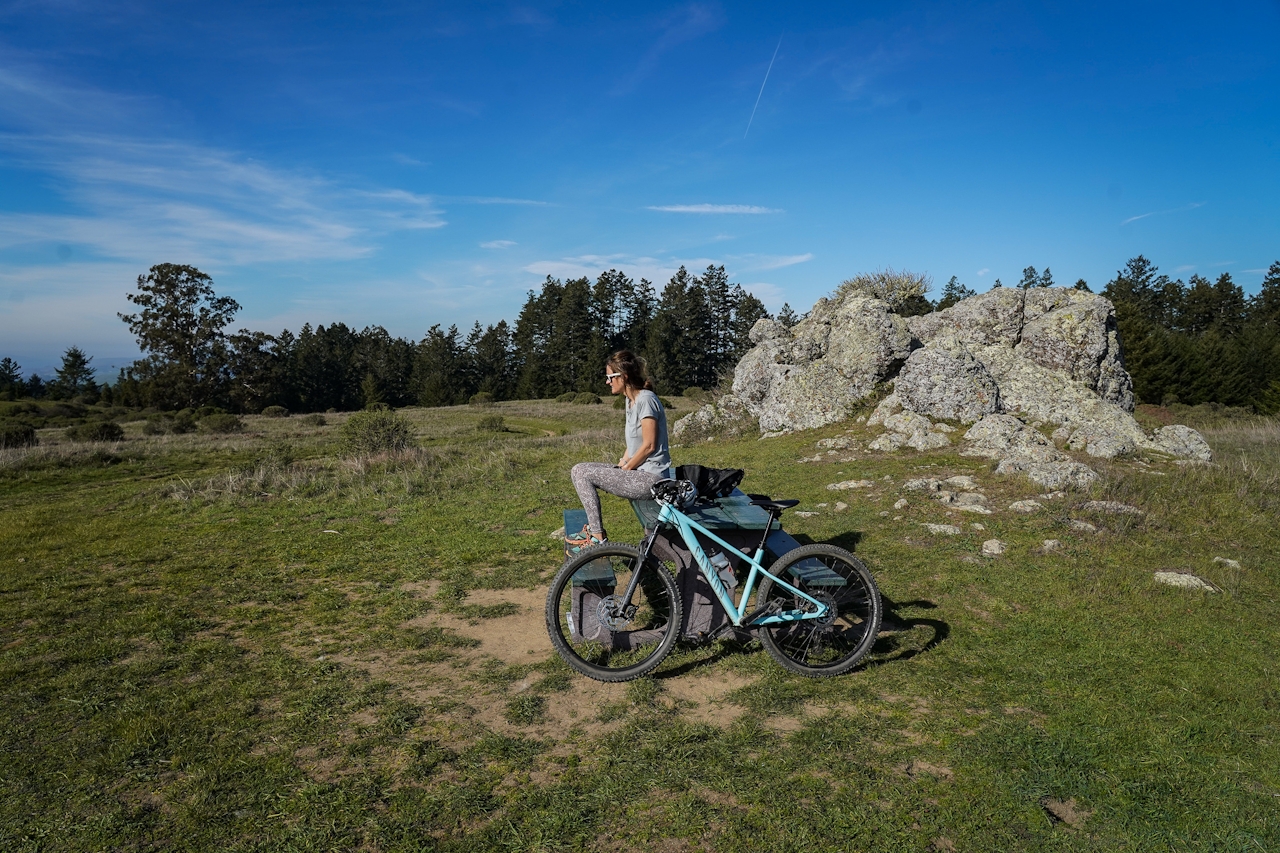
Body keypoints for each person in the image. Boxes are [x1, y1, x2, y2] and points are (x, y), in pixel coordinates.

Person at [566, 350, 672, 550]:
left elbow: (649, 445)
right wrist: (623, 462)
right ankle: (595, 532)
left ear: (623, 377)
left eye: (610, 377)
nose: (607, 382)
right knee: (579, 469)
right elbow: (635, 441)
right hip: (638, 472)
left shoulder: (646, 400)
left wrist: (626, 468)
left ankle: (597, 537)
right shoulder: (630, 400)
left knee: (581, 472)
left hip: (651, 479)